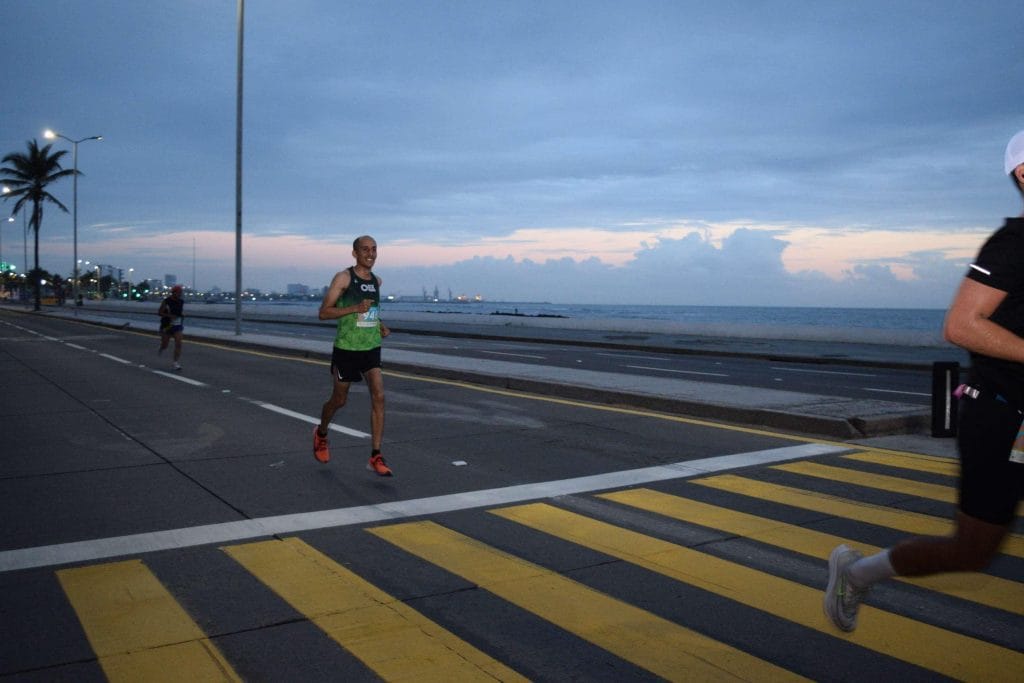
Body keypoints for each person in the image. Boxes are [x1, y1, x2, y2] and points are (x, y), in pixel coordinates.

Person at [824, 129, 1024, 632]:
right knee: (972, 549)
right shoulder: (1015, 243)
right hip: (1002, 419)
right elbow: (961, 326)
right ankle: (859, 573)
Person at [313, 235, 392, 476]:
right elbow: (324, 313)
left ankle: (375, 455)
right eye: (365, 249)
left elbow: (370, 313)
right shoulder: (344, 278)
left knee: (379, 396)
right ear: (355, 253)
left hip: (370, 348)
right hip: (346, 350)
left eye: (374, 249)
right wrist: (354, 308)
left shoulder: (377, 281)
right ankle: (321, 433)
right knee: (339, 400)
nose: (371, 253)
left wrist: (380, 325)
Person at [158, 285, 185, 371]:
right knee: (165, 345)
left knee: (179, 343)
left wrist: (182, 315)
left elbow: (179, 312)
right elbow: (159, 312)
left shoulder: (181, 301)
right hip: (166, 325)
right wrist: (169, 316)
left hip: (177, 325)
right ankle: (161, 347)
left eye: (181, 292)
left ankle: (175, 362)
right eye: (178, 292)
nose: (180, 294)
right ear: (173, 292)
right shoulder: (166, 301)